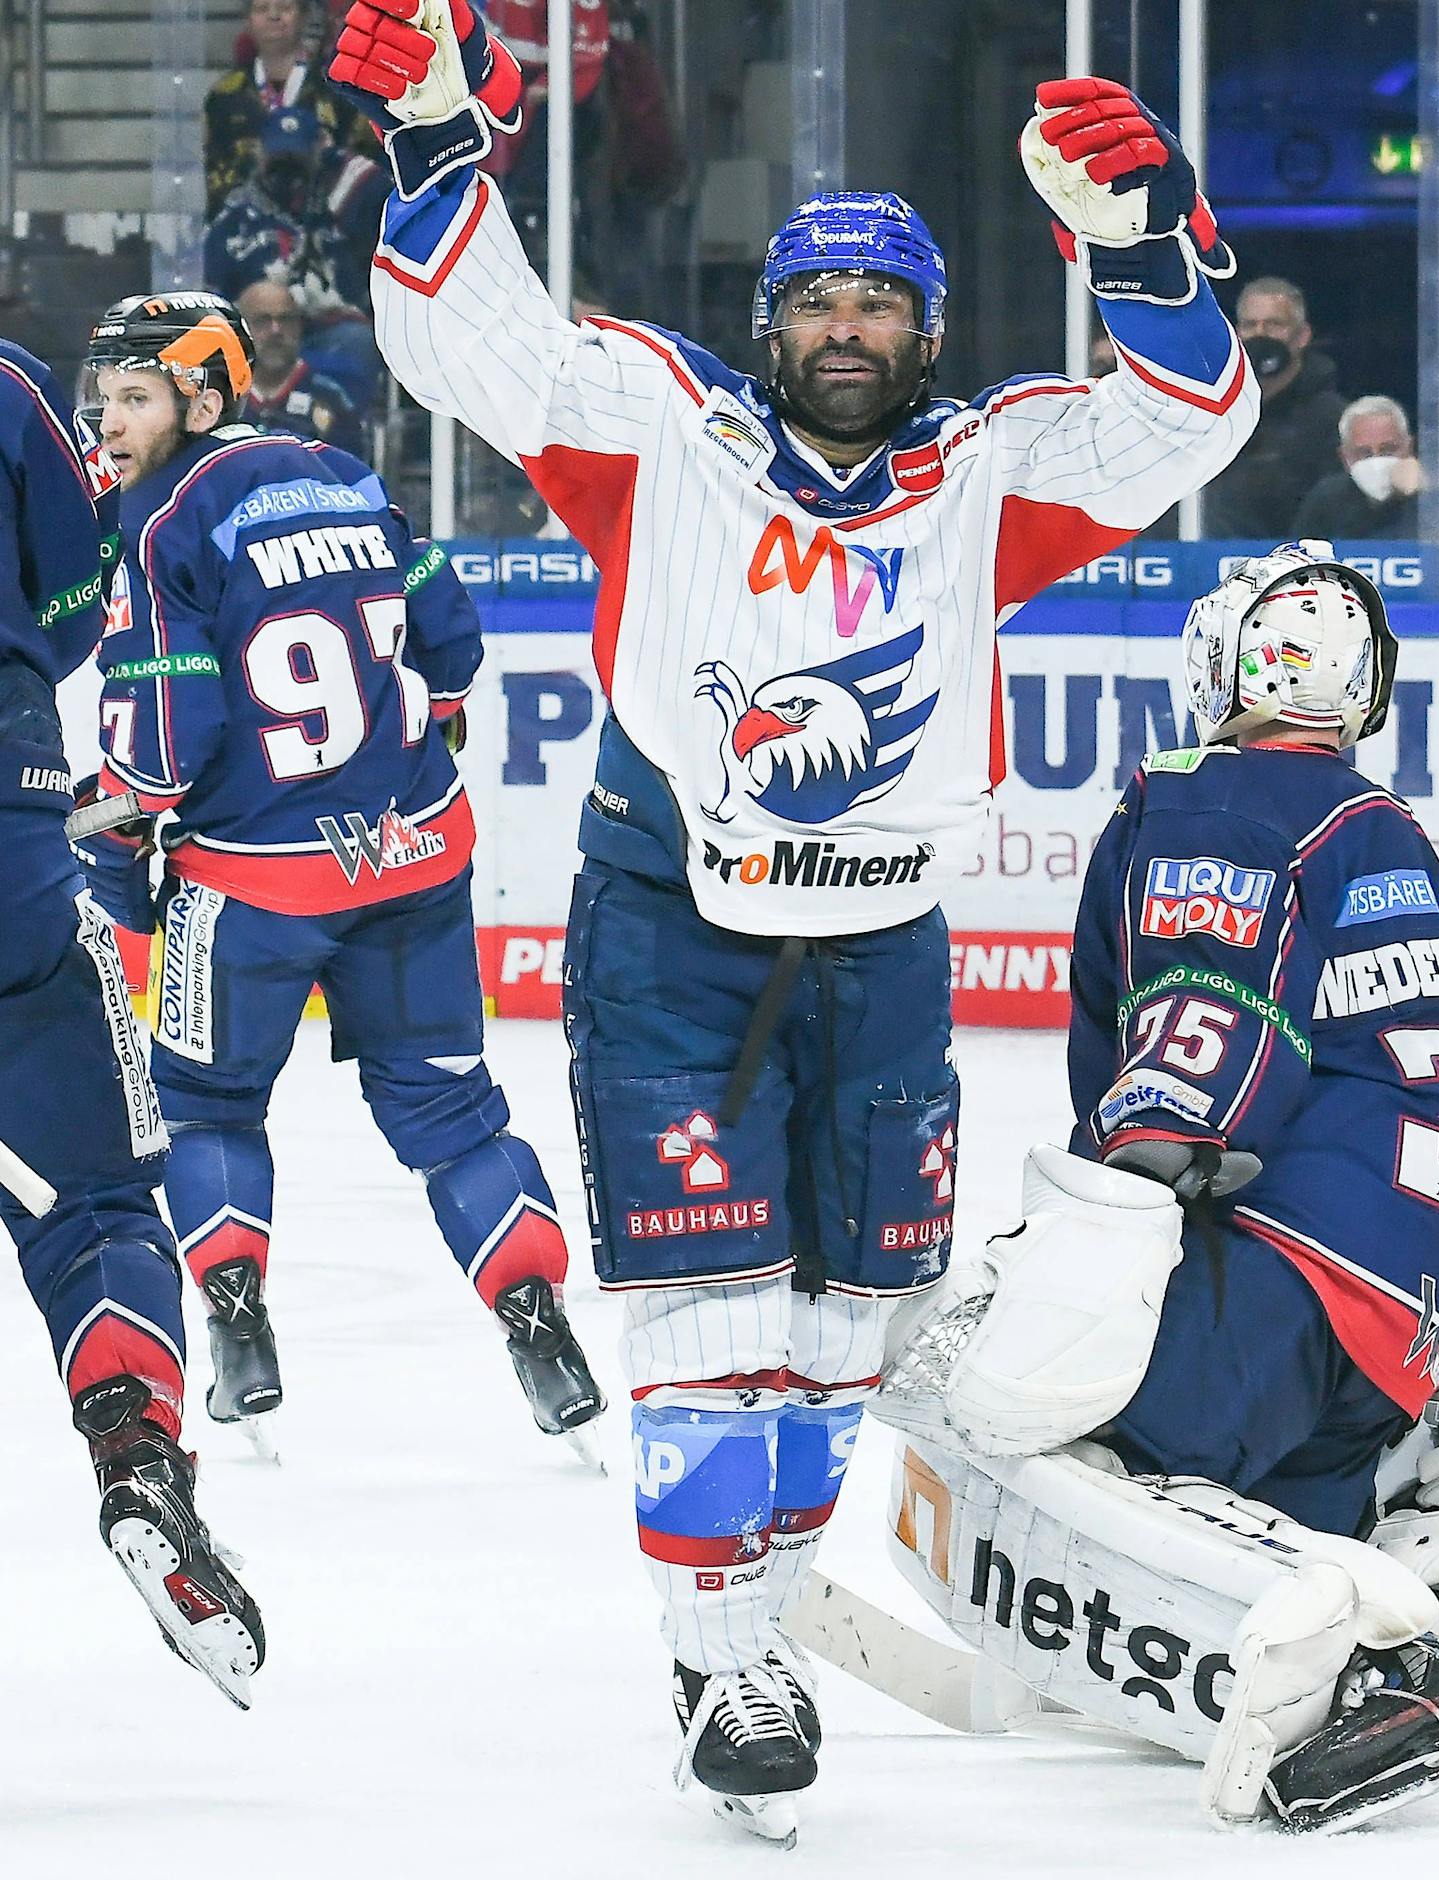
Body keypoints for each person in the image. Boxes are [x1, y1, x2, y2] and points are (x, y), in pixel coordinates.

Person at [329, 0, 1254, 1834]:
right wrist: (439, 145)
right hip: (671, 927)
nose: (847, 327)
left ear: (929, 331)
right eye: (817, 299)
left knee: (854, 1322)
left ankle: (741, 1628)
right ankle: (725, 1653)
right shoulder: (663, 424)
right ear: (770, 324)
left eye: (882, 303)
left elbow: (1178, 430)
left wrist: (1148, 253)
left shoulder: (984, 466)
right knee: (705, 1310)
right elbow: (477, 346)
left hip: (883, 945)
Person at [873, 546, 1439, 1830]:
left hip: (1283, 1274)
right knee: (1267, 1535)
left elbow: (1207, 1013)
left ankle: (1382, 1673)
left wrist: (1132, 1178)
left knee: (1060, 1434)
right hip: (1404, 1313)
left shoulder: (1212, 796)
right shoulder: (1379, 826)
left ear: (1225, 663)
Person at [72, 290, 606, 1466]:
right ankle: (539, 1323)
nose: (108, 421)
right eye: (103, 397)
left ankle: (237, 1325)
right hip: (416, 860)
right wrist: (423, 730)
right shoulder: (348, 475)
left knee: (206, 1108)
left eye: (135, 396)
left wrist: (104, 837)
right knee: (454, 1115)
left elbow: (161, 752)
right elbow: (448, 637)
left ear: (201, 398)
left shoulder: (160, 524)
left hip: (254, 884)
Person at [0, 335, 265, 1705]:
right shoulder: (7, 386)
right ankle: (135, 1453)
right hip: (9, 833)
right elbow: (74, 596)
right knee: (98, 1198)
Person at [205, 106, 389, 411]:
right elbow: (213, 293)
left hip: (322, 329)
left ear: (317, 153)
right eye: (279, 161)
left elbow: (357, 284)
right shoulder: (233, 219)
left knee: (358, 341)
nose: (287, 172)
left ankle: (346, 428)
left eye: (296, 161)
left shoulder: (338, 206)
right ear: (261, 154)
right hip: (257, 330)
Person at [205, 0, 378, 219]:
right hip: (248, 225)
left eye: (285, 8)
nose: (274, 16)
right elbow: (215, 175)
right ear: (247, 20)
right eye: (262, 9)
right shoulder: (225, 96)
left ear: (304, 16)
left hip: (328, 223)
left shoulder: (336, 87)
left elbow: (366, 160)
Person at [1203, 277, 1343, 539]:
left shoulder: (1331, 418)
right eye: (1250, 325)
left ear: (1302, 336)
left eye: (1274, 324)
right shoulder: (1210, 410)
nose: (1260, 334)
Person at [237, 276, 367, 453]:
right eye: (263, 320)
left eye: (285, 320)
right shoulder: (222, 397)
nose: (276, 330)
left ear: (299, 326)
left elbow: (350, 466)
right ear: (240, 329)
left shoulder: (330, 398)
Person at [1293, 393, 1426, 539]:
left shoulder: (1432, 498)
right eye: (1365, 453)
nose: (1376, 461)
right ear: (1345, 458)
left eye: (1388, 450)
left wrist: (1418, 494)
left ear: (1409, 447)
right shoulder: (1325, 501)